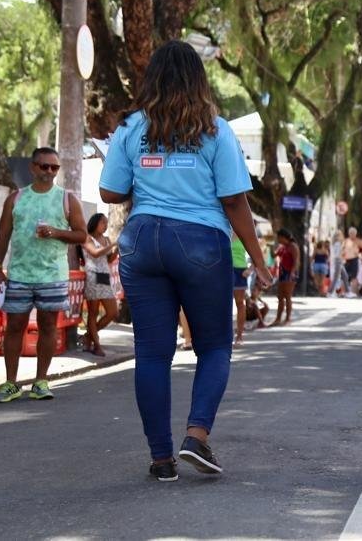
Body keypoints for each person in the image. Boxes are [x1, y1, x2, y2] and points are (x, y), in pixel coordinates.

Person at [99, 40, 273, 482]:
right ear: (198, 78)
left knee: (151, 354)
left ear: (152, 77)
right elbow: (233, 200)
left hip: (142, 241)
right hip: (200, 243)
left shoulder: (130, 127)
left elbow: (110, 192)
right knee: (213, 347)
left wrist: (150, 170)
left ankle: (161, 458)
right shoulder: (215, 128)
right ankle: (196, 436)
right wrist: (258, 259)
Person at [0, 147, 88, 402]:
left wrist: (56, 232)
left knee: (48, 327)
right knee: (14, 327)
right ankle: (11, 384)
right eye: (44, 166)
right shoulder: (16, 199)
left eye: (54, 167)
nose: (49, 171)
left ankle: (40, 382)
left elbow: (82, 235)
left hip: (52, 276)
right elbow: (2, 236)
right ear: (33, 168)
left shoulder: (67, 199)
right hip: (19, 275)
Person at [83, 212, 120, 356]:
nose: (105, 225)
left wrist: (116, 249)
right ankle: (96, 345)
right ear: (95, 223)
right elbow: (95, 253)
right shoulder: (87, 238)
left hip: (104, 275)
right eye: (103, 222)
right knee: (93, 312)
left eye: (106, 223)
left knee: (112, 312)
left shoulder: (106, 239)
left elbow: (109, 259)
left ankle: (88, 336)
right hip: (92, 274)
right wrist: (113, 244)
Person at [274, 228, 300, 325]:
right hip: (282, 272)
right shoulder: (283, 247)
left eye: (279, 238)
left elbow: (296, 261)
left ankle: (288, 318)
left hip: (290, 272)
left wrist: (292, 273)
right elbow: (274, 255)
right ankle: (278, 318)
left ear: (283, 237)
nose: (278, 239)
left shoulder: (293, 246)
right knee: (280, 296)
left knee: (287, 296)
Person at [231, 231, 250, 345]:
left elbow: (256, 252)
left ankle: (239, 336)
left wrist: (251, 269)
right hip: (224, 269)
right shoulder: (224, 230)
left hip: (240, 271)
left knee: (240, 303)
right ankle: (225, 336)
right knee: (223, 304)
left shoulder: (244, 233)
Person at [342, 227, 362, 298]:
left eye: (353, 233)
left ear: (355, 234)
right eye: (351, 233)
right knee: (345, 276)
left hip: (354, 260)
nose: (352, 235)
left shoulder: (358, 241)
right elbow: (342, 250)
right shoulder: (346, 241)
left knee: (354, 277)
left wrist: (360, 254)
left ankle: (353, 293)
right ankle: (344, 292)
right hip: (347, 260)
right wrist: (343, 255)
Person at [328, 230, 345, 297]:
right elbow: (337, 254)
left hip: (333, 261)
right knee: (336, 277)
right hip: (337, 261)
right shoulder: (338, 243)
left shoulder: (332, 244)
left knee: (336, 277)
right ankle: (331, 292)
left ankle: (333, 292)